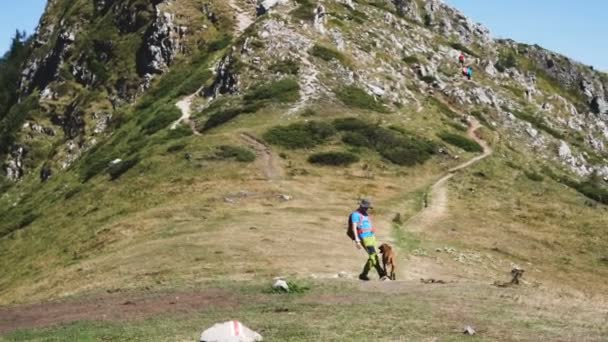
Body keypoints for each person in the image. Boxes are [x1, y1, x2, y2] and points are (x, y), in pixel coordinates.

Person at [351, 199, 385, 281]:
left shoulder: (365, 214)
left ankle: (364, 274)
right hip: (365, 238)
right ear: (361, 206)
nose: (367, 209)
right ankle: (381, 274)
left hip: (371, 237)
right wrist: (357, 240)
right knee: (373, 256)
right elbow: (354, 227)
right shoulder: (355, 215)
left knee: (373, 256)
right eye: (366, 207)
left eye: (367, 208)